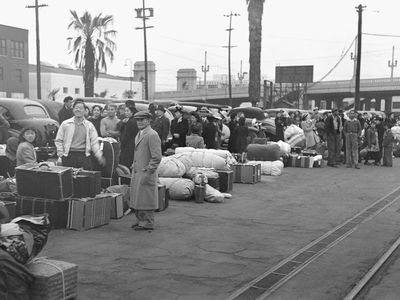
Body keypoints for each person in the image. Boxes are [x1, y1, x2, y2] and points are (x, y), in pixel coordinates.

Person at [130, 111, 162, 231]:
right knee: (139, 197)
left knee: (146, 198)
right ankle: (140, 220)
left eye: (142, 120)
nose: (139, 122)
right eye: (137, 120)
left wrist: (149, 170)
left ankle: (147, 222)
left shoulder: (152, 135)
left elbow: (157, 157)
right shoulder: (140, 134)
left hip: (145, 171)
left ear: (148, 120)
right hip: (138, 170)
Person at [55, 100, 105, 170]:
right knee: (69, 179)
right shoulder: (65, 124)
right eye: (76, 108)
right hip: (68, 156)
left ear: (85, 111)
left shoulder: (89, 125)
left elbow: (94, 142)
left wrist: (99, 156)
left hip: (84, 156)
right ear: (73, 110)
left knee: (83, 179)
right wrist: (61, 154)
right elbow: (58, 140)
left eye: (81, 108)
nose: (78, 110)